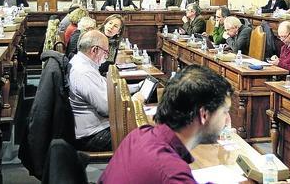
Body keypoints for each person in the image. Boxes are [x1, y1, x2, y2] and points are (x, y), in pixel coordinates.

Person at [99, 65, 233, 183]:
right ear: (204, 114)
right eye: (225, 112)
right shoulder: (171, 173)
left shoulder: (139, 134)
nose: (228, 120)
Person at [68, 30, 112, 151]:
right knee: (141, 137)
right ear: (94, 50)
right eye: (106, 52)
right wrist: (133, 101)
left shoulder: (83, 62)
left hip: (96, 128)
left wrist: (134, 87)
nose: (106, 56)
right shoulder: (84, 72)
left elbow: (105, 83)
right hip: (93, 135)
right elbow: (107, 109)